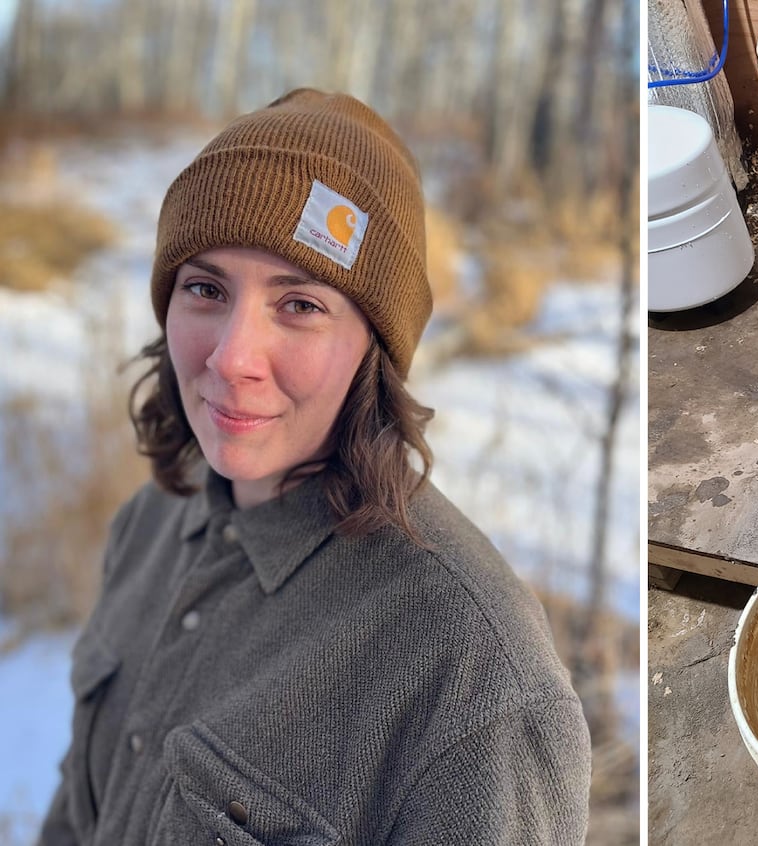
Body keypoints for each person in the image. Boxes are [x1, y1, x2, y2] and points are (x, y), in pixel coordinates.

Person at [38, 88, 592, 845]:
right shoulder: (150, 522)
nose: (232, 358)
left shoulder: (473, 677)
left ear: (376, 346)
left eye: (299, 305)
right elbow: (75, 812)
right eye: (205, 289)